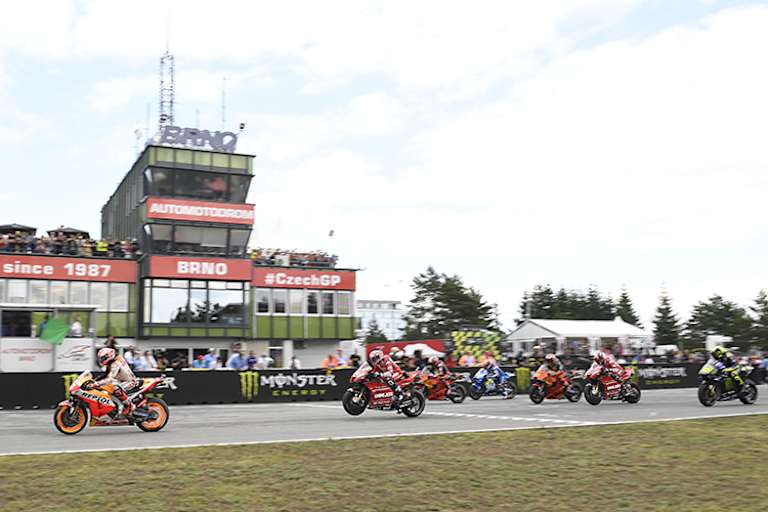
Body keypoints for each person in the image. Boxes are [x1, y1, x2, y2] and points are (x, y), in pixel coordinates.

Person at [86, 347, 138, 416]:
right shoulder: (111, 363)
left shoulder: (115, 364)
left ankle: (130, 406)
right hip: (122, 381)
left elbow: (110, 379)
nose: (101, 360)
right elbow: (105, 375)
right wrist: (93, 380)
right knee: (108, 388)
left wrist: (96, 384)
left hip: (130, 382)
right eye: (101, 358)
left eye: (103, 358)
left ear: (109, 356)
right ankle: (116, 407)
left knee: (116, 389)